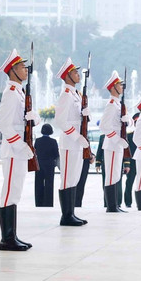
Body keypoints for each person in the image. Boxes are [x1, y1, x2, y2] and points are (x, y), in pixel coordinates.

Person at [0, 49, 38, 250]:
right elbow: (3, 124)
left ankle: (12, 236)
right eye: (22, 67)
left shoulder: (19, 92)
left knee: (16, 191)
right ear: (12, 70)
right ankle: (7, 239)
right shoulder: (11, 93)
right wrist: (20, 145)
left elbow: (24, 119)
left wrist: (34, 117)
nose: (26, 70)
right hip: (14, 150)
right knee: (9, 192)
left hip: (20, 149)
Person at [54, 57, 89, 226]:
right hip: (69, 142)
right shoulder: (66, 95)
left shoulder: (76, 94)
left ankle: (71, 213)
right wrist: (77, 137)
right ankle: (65, 215)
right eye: (75, 72)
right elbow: (60, 121)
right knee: (67, 178)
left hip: (77, 143)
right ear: (67, 76)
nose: (78, 75)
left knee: (74, 177)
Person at [99, 71, 129, 213]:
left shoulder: (118, 105)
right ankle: (111, 206)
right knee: (111, 175)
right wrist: (117, 140)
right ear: (113, 87)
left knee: (116, 174)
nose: (122, 87)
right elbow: (104, 126)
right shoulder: (111, 104)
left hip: (117, 145)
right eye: (119, 84)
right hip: (112, 145)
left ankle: (115, 204)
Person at [34, 123, 59, 207]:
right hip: (50, 164)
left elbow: (35, 152)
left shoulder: (37, 141)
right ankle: (48, 202)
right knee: (49, 183)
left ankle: (39, 202)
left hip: (39, 164)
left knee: (38, 183)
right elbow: (56, 154)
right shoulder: (53, 141)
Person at [123, 113, 138, 208]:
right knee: (130, 182)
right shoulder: (130, 135)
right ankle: (128, 202)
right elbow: (127, 151)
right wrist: (127, 163)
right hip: (132, 162)